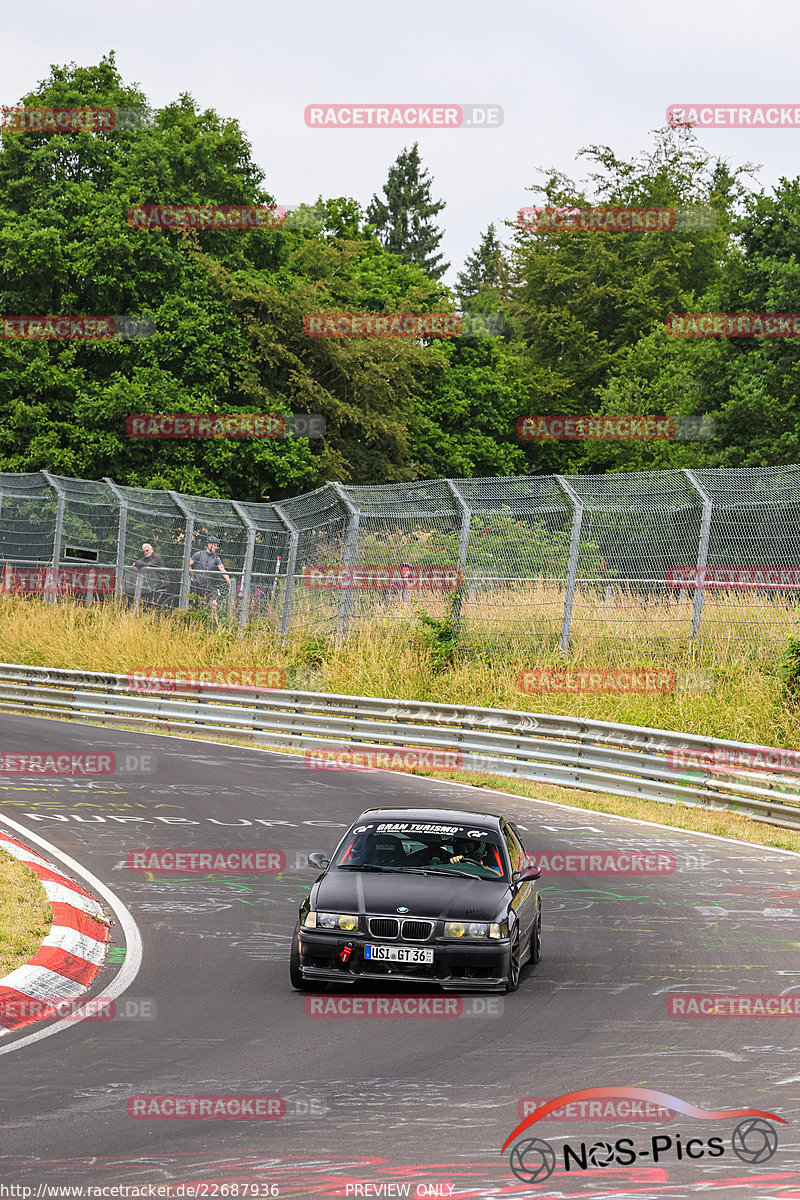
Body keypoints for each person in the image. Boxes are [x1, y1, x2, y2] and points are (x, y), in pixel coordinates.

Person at [190, 536, 231, 613]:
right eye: (214, 545)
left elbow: (222, 569)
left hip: (207, 585)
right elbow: (188, 565)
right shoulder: (199, 554)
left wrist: (228, 580)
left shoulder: (216, 558)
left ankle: (212, 620)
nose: (216, 547)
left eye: (217, 546)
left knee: (214, 602)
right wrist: (191, 576)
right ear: (209, 544)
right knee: (196, 605)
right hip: (196, 584)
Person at [131, 543, 167, 609]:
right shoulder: (147, 558)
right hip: (154, 586)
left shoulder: (156, 557)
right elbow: (140, 561)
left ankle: (159, 618)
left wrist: (137, 564)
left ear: (151, 549)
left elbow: (148, 565)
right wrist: (136, 563)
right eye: (144, 551)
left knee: (156, 605)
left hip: (162, 584)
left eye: (147, 551)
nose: (145, 553)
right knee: (150, 604)